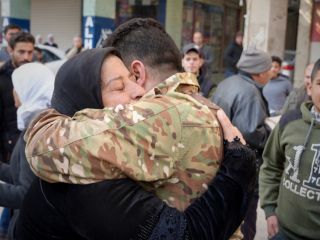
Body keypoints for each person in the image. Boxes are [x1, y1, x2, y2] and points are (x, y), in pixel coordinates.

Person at [17, 19, 256, 239]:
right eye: (120, 85)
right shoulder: (80, 176)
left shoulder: (143, 127)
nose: (138, 92)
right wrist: (238, 171)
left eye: (132, 79)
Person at [212, 47, 272, 240]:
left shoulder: (227, 82)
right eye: (269, 68)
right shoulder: (250, 93)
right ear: (260, 72)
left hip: (219, 166)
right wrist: (270, 131)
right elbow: (250, 133)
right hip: (240, 173)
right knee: (245, 228)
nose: (272, 72)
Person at [259, 58, 320, 240]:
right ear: (309, 88)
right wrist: (270, 209)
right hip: (283, 232)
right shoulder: (290, 122)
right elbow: (271, 165)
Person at [0, 62, 54, 240]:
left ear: (27, 89)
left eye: (16, 88)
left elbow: (27, 194)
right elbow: (20, 173)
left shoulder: (36, 129)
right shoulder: (36, 121)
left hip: (31, 228)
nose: (13, 92)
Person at [0, 32, 35, 163]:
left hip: (33, 146)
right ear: (10, 50)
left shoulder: (37, 76)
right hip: (9, 150)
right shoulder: (2, 78)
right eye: (21, 52)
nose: (26, 57)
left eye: (30, 52)